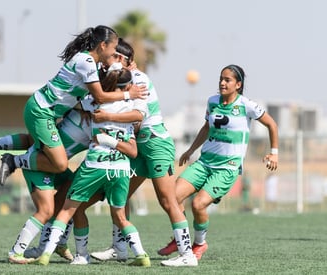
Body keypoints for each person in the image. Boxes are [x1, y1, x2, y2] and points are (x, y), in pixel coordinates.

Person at [88, 38, 198, 267]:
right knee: (120, 196)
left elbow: (138, 116)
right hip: (139, 148)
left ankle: (188, 255)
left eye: (114, 56)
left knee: (167, 201)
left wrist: (106, 116)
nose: (110, 60)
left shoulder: (139, 79)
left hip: (156, 144)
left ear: (124, 59)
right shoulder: (121, 80)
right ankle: (119, 248)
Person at [157, 64, 279, 261]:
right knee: (171, 198)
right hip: (204, 162)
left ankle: (199, 244)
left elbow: (272, 124)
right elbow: (206, 128)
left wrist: (274, 153)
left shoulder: (246, 105)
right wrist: (190, 150)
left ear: (238, 84)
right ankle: (180, 238)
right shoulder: (212, 101)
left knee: (198, 205)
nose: (222, 83)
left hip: (226, 168)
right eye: (221, 79)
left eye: (227, 80)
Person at [0, 25, 146, 186]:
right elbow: (100, 97)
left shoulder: (92, 64)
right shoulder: (87, 61)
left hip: (48, 114)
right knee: (59, 164)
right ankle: (13, 160)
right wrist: (128, 94)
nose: (114, 53)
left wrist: (128, 69)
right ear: (103, 45)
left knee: (40, 150)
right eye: (114, 48)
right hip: (41, 110)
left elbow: (106, 81)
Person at [36, 66, 151, 267]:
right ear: (128, 86)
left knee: (67, 210)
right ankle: (141, 255)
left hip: (95, 164)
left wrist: (104, 138)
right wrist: (114, 139)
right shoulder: (132, 110)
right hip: (121, 168)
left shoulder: (94, 103)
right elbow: (133, 150)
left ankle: (51, 254)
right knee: (121, 217)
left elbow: (75, 102)